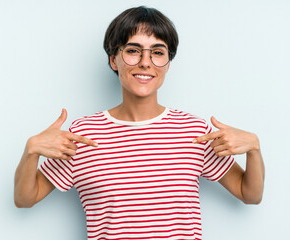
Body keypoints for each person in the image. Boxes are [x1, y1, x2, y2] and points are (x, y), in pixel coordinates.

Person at [14, 6, 265, 240]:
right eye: (133, 50)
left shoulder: (194, 131)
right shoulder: (83, 134)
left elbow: (250, 194)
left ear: (167, 64)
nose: (146, 62)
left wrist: (254, 148)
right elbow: (25, 198)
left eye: (157, 52)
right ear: (114, 60)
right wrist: (30, 152)